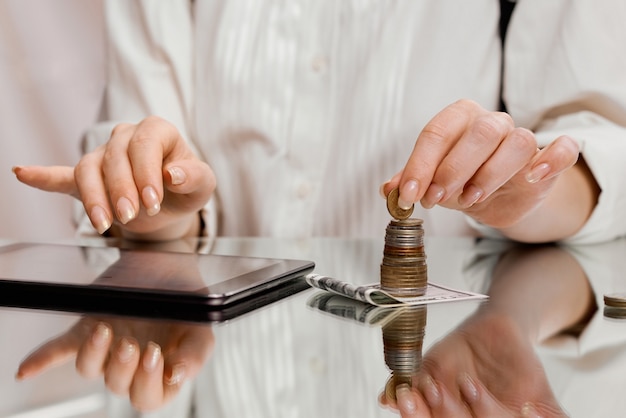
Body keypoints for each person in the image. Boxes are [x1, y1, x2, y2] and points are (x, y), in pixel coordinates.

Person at [12, 0, 626, 246]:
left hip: (450, 369)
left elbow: (602, 141)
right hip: (219, 380)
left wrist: (528, 188)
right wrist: (157, 202)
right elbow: (152, 164)